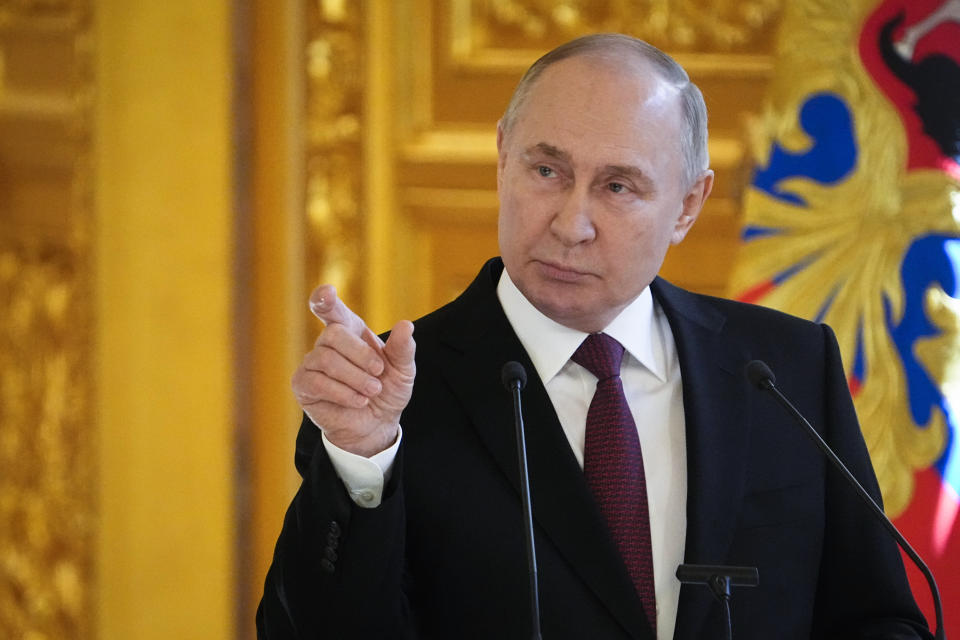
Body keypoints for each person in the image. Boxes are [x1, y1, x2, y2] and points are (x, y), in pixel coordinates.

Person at [257, 33, 932, 639]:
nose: (570, 224)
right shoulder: (391, 397)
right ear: (502, 159)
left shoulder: (784, 369)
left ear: (687, 206)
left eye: (617, 186)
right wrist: (361, 462)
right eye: (546, 171)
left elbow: (877, 619)